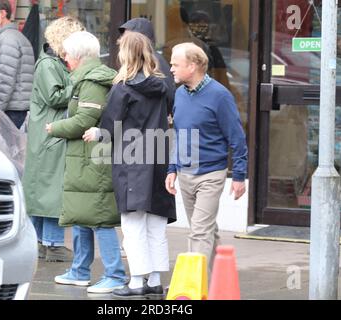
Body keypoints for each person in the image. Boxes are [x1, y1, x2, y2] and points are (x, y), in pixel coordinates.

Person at [83, 31, 176, 299]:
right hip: (159, 156)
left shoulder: (122, 87)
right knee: (156, 223)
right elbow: (172, 112)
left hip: (132, 161)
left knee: (133, 226)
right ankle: (156, 279)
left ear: (126, 54)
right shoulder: (162, 85)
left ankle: (136, 281)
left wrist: (97, 133)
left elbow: (110, 124)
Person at [46, 31, 126, 294]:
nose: (64, 59)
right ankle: (80, 271)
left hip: (93, 159)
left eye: (66, 54)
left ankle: (114, 274)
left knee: (100, 218)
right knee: (82, 214)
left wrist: (53, 127)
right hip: (85, 157)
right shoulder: (87, 78)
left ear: (78, 56)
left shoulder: (91, 81)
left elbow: (84, 120)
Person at [165, 42, 248, 271]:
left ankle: (193, 288)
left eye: (175, 64)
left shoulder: (220, 96)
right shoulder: (179, 94)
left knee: (199, 231)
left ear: (192, 66)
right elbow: (179, 135)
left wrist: (239, 175)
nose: (170, 68)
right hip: (185, 173)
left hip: (210, 174)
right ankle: (222, 279)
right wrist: (172, 168)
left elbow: (237, 138)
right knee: (206, 229)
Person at [22, 16, 85, 263]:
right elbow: (55, 97)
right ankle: (53, 243)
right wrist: (80, 82)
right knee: (51, 191)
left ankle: (39, 242)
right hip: (51, 133)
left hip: (47, 133)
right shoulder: (49, 64)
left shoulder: (50, 62)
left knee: (41, 190)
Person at [0, 0, 35, 129]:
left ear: (2, 13)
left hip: (11, 110)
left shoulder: (8, 39)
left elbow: (6, 80)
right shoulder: (11, 36)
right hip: (13, 108)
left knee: (6, 148)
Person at [118, 17, 175, 116]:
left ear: (140, 38)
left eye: (127, 38)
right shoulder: (142, 59)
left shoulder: (154, 61)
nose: (122, 40)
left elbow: (168, 95)